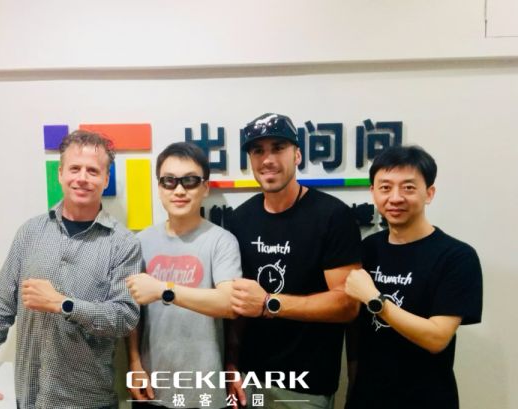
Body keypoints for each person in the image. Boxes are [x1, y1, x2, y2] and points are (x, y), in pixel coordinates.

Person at [0, 130, 142, 409]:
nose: (82, 178)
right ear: (60, 174)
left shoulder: (123, 243)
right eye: (75, 169)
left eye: (93, 171)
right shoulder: (30, 233)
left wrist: (64, 304)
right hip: (29, 397)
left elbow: (124, 317)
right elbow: (0, 305)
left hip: (89, 400)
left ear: (106, 179)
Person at [227, 113, 362, 409]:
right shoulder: (240, 219)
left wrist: (269, 303)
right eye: (258, 151)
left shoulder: (332, 216)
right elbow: (238, 303)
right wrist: (232, 363)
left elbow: (347, 304)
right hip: (249, 380)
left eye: (278, 148)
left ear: (297, 155)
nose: (267, 159)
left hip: (307, 386)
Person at [344, 145, 483, 409]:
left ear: (429, 193)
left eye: (408, 187)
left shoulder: (457, 256)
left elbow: (436, 338)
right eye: (385, 187)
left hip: (427, 399)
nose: (395, 198)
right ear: (373, 192)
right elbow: (355, 329)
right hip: (367, 396)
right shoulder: (368, 249)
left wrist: (374, 300)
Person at [126, 142, 242, 409]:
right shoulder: (139, 242)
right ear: (159, 188)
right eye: (169, 181)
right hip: (151, 387)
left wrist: (164, 290)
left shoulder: (221, 241)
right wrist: (134, 362)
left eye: (189, 181)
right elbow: (132, 312)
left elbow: (228, 304)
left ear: (205, 187)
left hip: (205, 390)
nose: (179, 190)